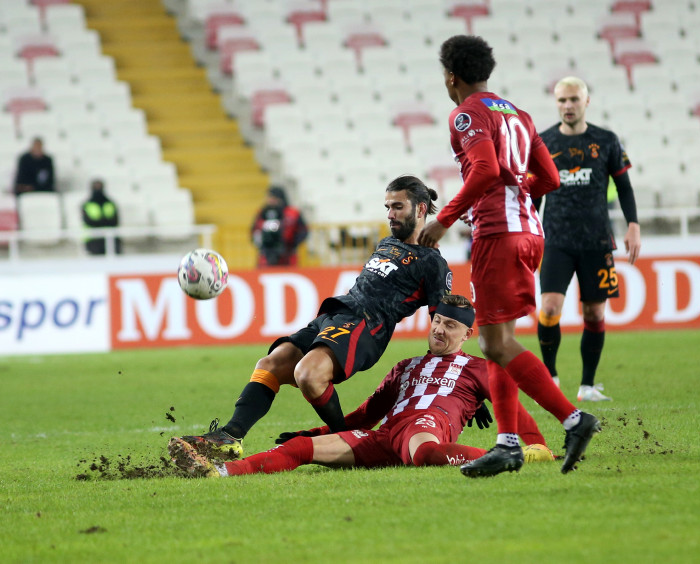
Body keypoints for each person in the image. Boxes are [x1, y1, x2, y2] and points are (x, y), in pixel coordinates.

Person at [417, 35, 600, 477]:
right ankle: (507, 444)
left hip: (499, 235)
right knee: (496, 341)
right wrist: (515, 200)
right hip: (529, 233)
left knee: (495, 342)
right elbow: (550, 178)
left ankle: (574, 420)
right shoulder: (518, 113)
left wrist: (444, 219)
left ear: (451, 76)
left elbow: (485, 169)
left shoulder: (466, 114)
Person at [177, 175, 452, 460]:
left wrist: (448, 373)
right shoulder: (386, 242)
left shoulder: (433, 262)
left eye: (398, 207)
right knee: (271, 363)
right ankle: (229, 437)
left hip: (367, 325)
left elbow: (443, 322)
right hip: (335, 313)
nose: (390, 215)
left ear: (421, 209)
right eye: (387, 208)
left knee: (308, 375)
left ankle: (346, 441)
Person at [168, 295, 555, 478]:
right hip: (387, 436)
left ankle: (508, 456)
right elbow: (366, 415)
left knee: (425, 453)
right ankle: (219, 472)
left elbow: (513, 409)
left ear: (468, 333)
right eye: (437, 320)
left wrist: (537, 445)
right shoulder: (405, 366)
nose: (439, 328)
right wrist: (314, 431)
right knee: (298, 448)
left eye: (450, 325)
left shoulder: (479, 368)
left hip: (427, 427)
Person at [535, 76, 641, 403]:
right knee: (550, 307)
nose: (567, 106)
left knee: (594, 313)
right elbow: (534, 192)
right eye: (562, 101)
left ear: (586, 101)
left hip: (596, 240)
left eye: (573, 100)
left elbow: (624, 186)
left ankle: (587, 386)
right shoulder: (543, 142)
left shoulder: (607, 140)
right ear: (556, 103)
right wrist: (530, 232)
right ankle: (550, 377)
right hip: (556, 239)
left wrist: (633, 224)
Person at [251, 185, 308, 267]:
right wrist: (262, 244)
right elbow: (254, 231)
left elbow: (303, 231)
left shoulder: (292, 213)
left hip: (288, 256)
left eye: (273, 198)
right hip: (266, 256)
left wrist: (292, 244)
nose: (270, 200)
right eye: (269, 197)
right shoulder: (263, 213)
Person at [82, 179, 121, 256]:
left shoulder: (110, 203)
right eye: (95, 187)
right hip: (93, 239)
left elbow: (115, 221)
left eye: (99, 186)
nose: (98, 189)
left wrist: (100, 222)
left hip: (111, 238)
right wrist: (104, 222)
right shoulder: (86, 205)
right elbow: (88, 221)